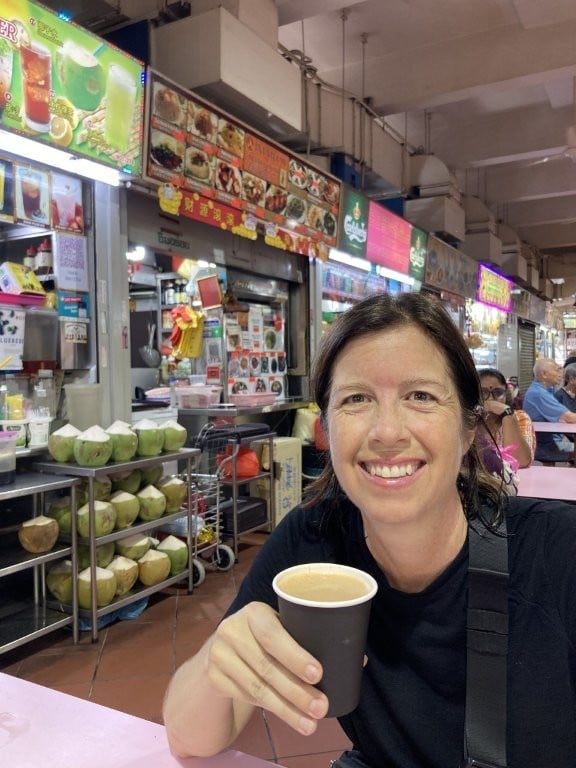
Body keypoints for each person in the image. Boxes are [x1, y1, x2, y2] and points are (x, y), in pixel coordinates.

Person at [163, 293, 576, 768]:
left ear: (467, 429)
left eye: (420, 396)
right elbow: (187, 737)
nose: (386, 432)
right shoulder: (313, 541)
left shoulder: (556, 552)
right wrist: (219, 660)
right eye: (356, 399)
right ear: (327, 430)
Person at [476, 367, 534, 478]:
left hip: (512, 481)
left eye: (498, 392)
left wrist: (507, 414)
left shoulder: (519, 417)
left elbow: (521, 461)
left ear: (506, 394)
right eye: (483, 392)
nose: (490, 398)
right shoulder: (467, 419)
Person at [523, 358, 576, 464]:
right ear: (544, 374)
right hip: (542, 447)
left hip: (547, 441)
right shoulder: (539, 393)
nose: (561, 374)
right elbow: (570, 418)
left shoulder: (544, 390)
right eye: (557, 370)